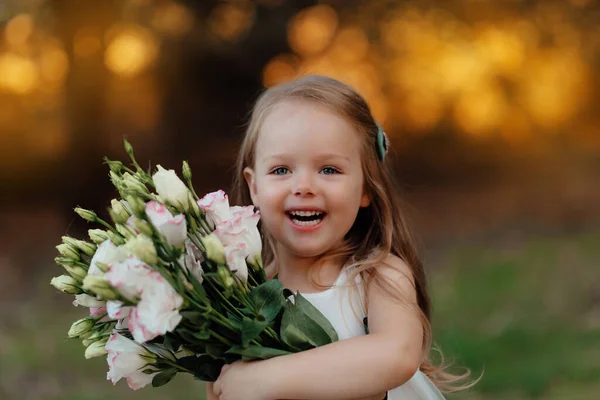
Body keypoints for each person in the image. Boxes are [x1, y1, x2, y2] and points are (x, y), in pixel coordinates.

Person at [208, 75, 474, 400]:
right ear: (255, 187)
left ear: (365, 187)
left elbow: (397, 354)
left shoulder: (376, 276)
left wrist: (269, 378)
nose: (303, 186)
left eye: (329, 170)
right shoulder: (241, 294)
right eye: (281, 170)